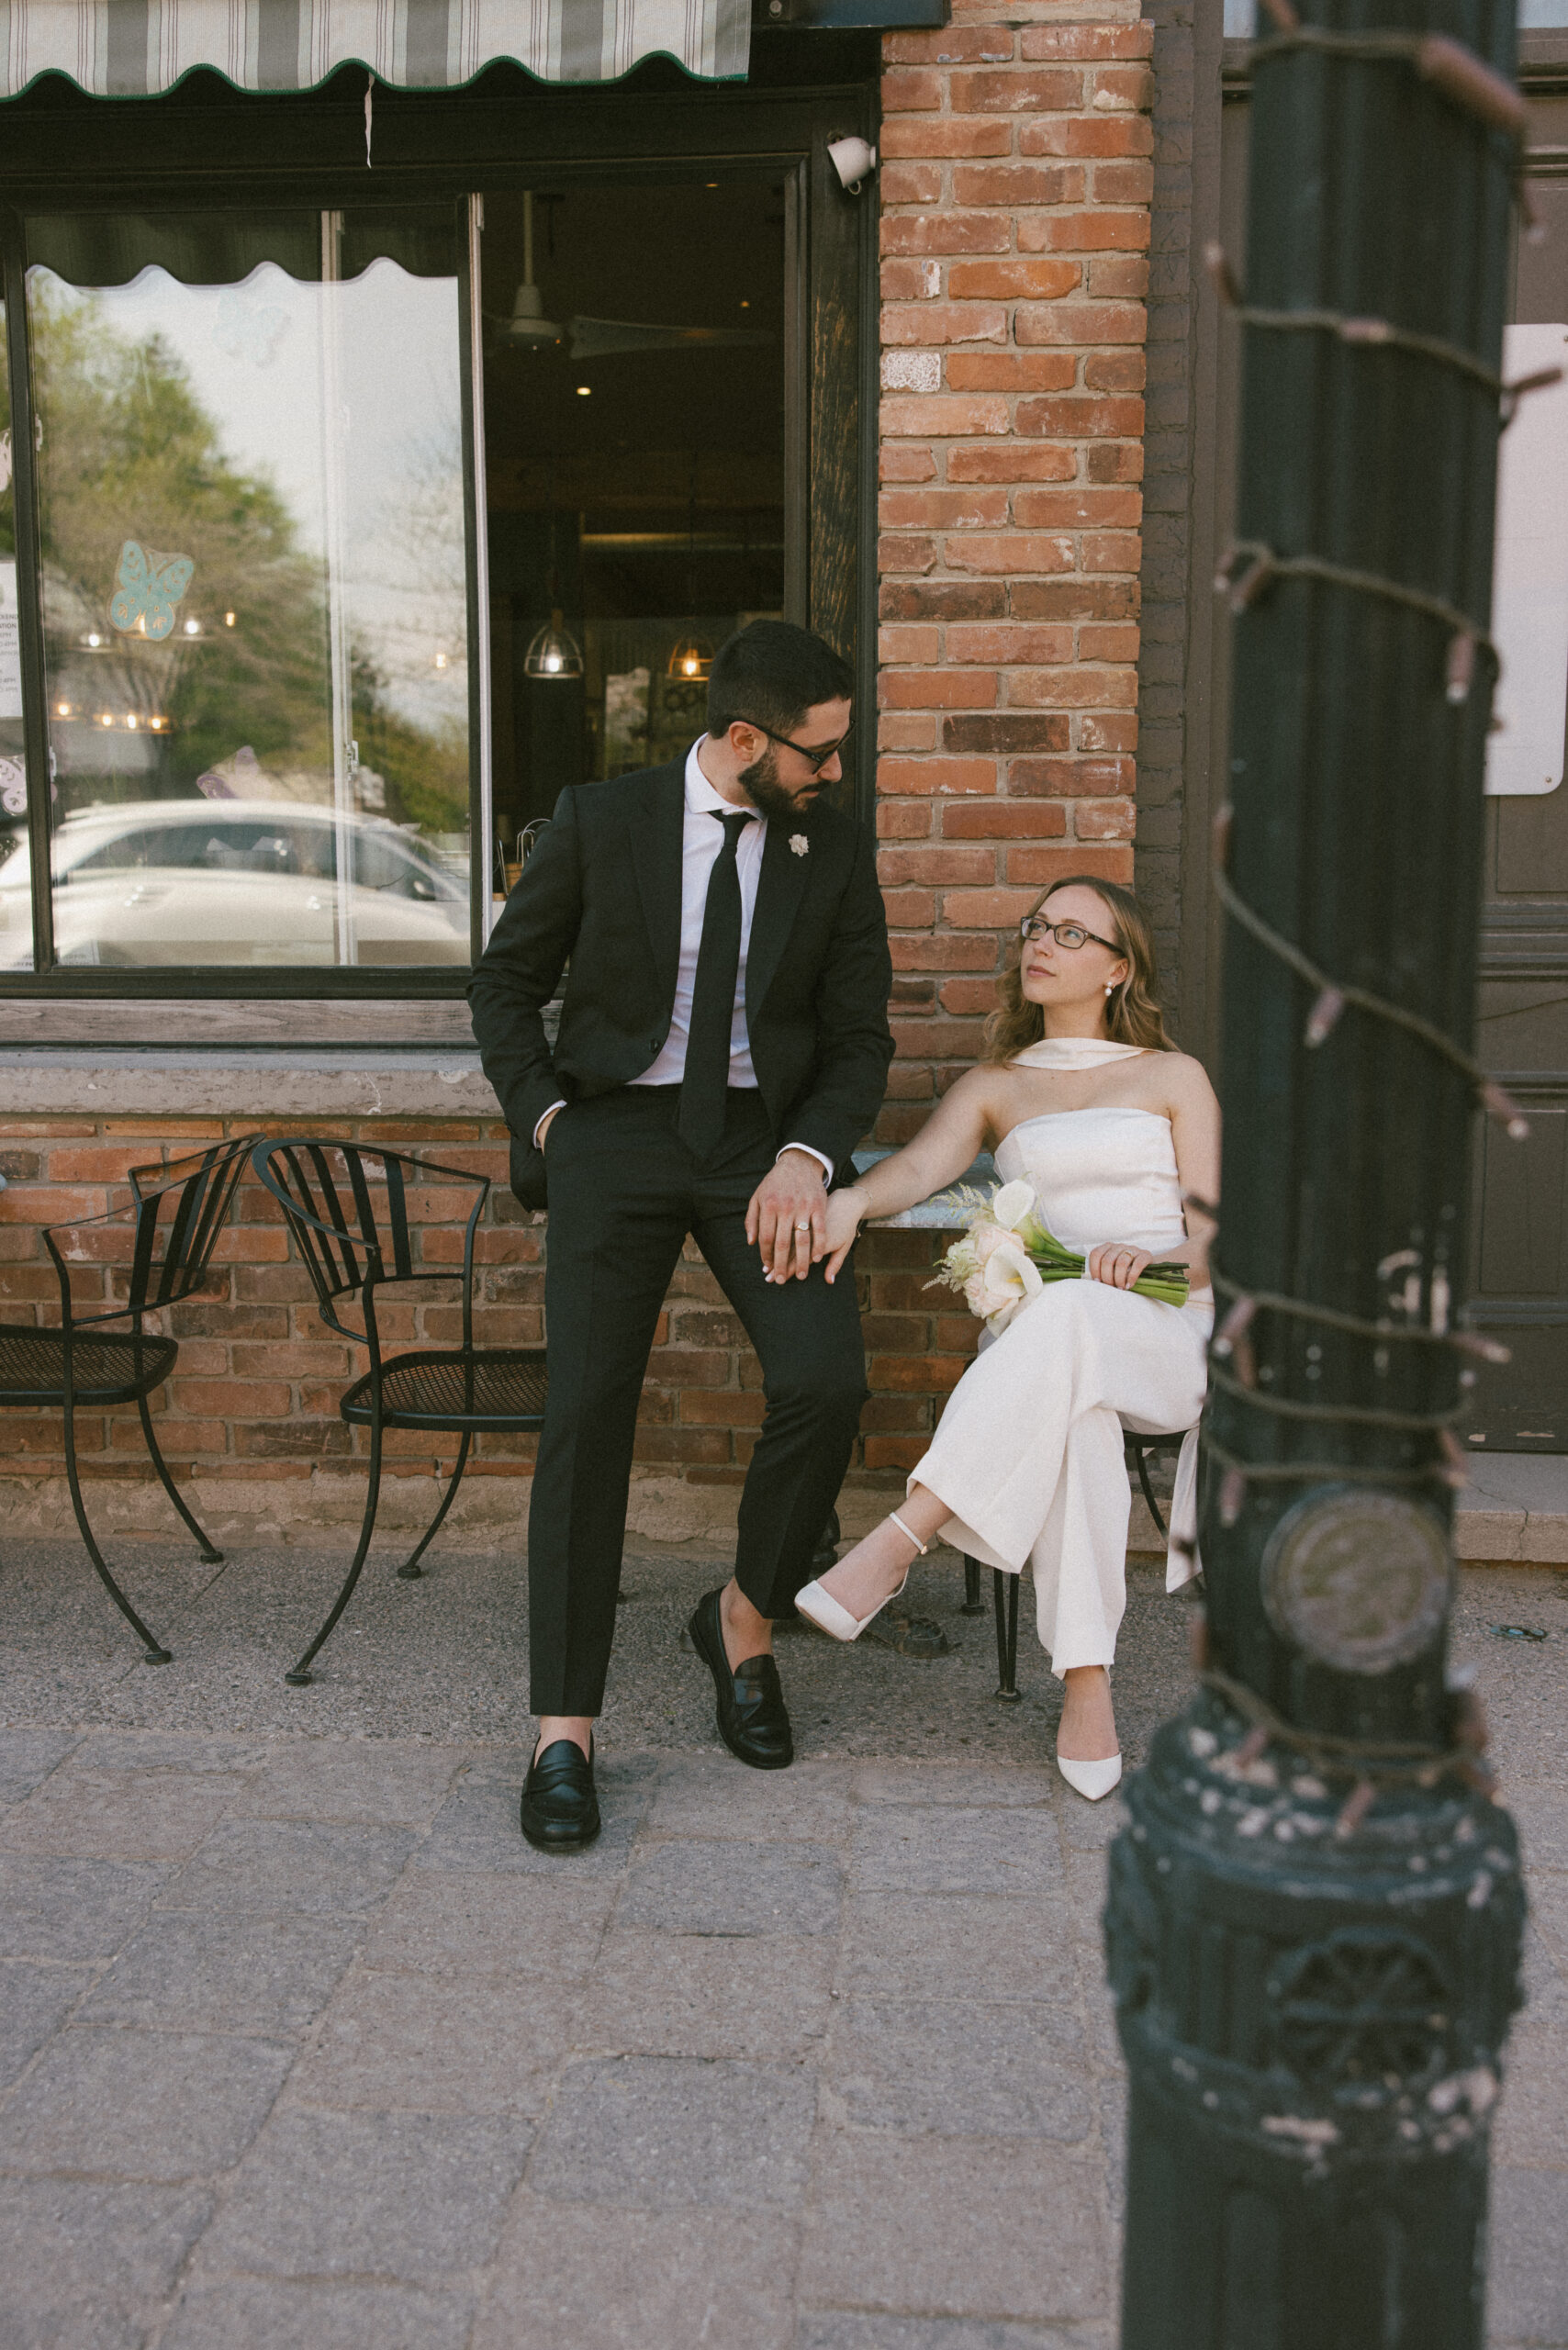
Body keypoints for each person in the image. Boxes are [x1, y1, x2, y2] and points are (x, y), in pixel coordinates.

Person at [468, 621, 893, 1850]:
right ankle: (564, 1732)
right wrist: (551, 1120)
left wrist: (810, 1156)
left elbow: (859, 1033)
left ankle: (743, 1621)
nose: (834, 774)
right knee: (586, 1413)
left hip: (763, 1146)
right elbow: (505, 984)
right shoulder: (602, 821)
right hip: (613, 1134)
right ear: (747, 739)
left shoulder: (829, 843)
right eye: (819, 753)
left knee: (827, 1378)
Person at [794, 876, 1219, 1800]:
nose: (1043, 943)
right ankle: (1086, 1684)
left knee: (1066, 1319)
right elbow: (914, 1168)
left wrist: (1147, 1258)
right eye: (1038, 926)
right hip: (1053, 1346)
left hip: (1163, 1324)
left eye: (1072, 933)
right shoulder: (997, 1084)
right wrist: (849, 1202)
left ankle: (904, 1536)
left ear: (1117, 968)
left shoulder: (1172, 1075)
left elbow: (1212, 1235)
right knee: (1073, 1410)